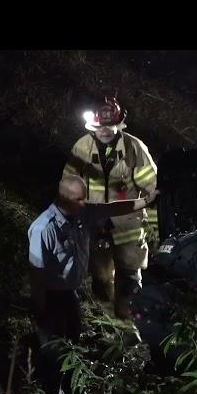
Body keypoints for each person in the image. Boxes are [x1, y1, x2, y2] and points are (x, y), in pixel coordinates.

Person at [27, 175, 158, 393]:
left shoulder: (82, 212)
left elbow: (112, 209)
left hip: (70, 294)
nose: (84, 203)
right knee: (52, 352)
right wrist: (41, 308)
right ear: (64, 199)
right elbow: (35, 273)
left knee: (72, 345)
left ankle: (68, 393)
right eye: (79, 199)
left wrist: (144, 201)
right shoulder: (43, 229)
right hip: (50, 297)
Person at [62, 95, 158, 319]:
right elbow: (69, 183)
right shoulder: (82, 147)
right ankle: (109, 321)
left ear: (119, 124)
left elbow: (151, 186)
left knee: (129, 277)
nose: (104, 131)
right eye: (99, 127)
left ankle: (129, 324)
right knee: (101, 277)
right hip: (95, 224)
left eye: (110, 126)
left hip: (128, 224)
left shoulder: (134, 147)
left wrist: (152, 220)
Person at [130, 214, 197, 371]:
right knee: (186, 361)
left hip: (138, 302)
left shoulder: (182, 238)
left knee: (155, 363)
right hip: (155, 311)